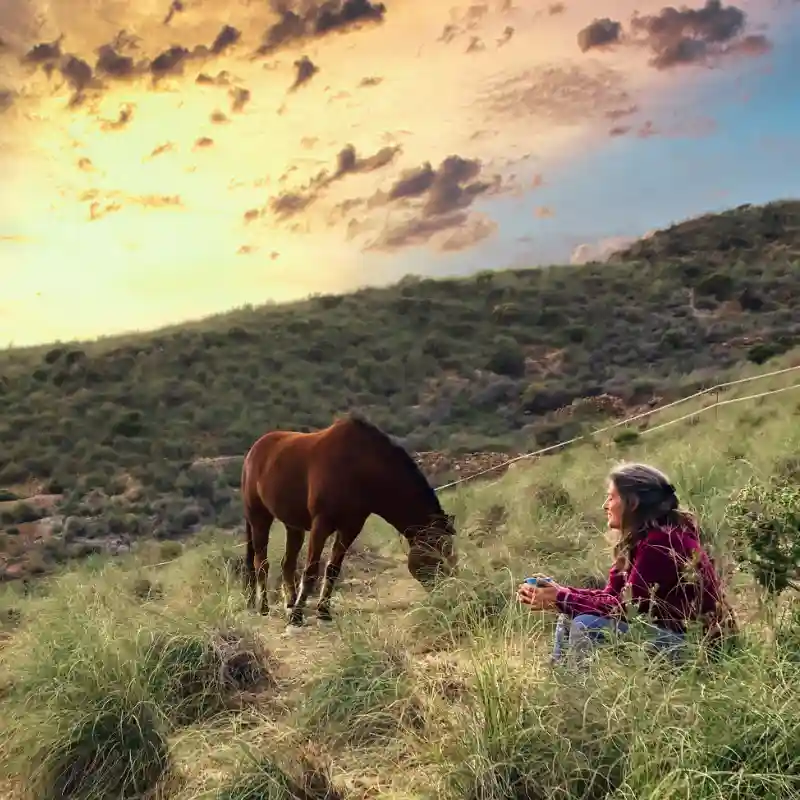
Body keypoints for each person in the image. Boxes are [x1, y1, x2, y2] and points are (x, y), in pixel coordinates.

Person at [517, 462, 737, 667]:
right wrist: (562, 594)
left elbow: (625, 609)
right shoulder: (642, 541)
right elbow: (612, 597)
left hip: (704, 650)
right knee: (569, 616)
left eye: (611, 498)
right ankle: (561, 690)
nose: (605, 505)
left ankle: (578, 700)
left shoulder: (661, 544)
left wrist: (563, 598)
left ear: (632, 503)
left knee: (586, 625)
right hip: (678, 637)